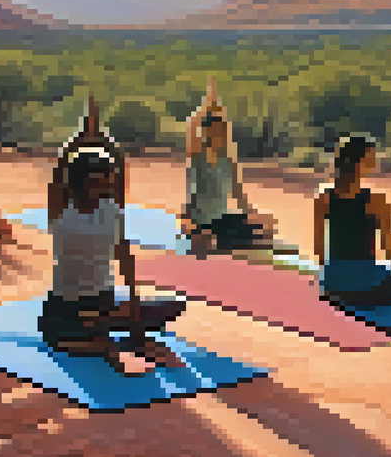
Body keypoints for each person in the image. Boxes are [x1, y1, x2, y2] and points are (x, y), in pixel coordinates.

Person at [39, 96, 187, 367]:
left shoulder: (112, 208)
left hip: (103, 300)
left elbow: (125, 255)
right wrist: (80, 139)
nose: (104, 188)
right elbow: (60, 168)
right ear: (79, 183)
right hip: (66, 304)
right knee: (64, 334)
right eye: (96, 183)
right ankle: (107, 341)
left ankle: (113, 332)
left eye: (106, 183)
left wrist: (133, 299)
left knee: (174, 304)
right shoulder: (60, 209)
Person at [314, 134, 391, 307]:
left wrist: (331, 280)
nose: (375, 163)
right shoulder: (376, 200)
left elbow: (320, 250)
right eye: (371, 158)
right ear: (358, 163)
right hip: (369, 288)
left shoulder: (324, 198)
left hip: (334, 286)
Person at [180, 77, 268, 255]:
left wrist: (252, 216)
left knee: (262, 228)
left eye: (222, 129)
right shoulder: (198, 155)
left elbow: (239, 195)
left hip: (221, 220)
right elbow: (191, 125)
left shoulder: (228, 161)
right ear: (206, 132)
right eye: (214, 129)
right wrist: (208, 102)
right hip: (201, 222)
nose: (220, 133)